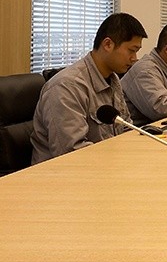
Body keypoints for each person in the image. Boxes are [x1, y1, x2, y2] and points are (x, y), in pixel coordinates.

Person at [30, 13, 147, 164]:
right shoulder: (66, 86)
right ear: (108, 45)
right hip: (64, 173)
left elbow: (125, 129)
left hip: (106, 165)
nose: (135, 58)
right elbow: (71, 152)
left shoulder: (113, 79)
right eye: (132, 50)